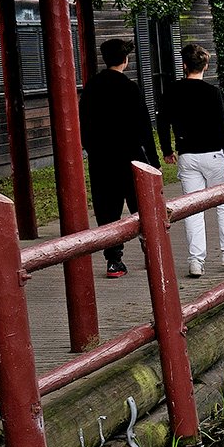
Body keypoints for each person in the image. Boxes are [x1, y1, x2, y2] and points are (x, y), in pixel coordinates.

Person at [157, 41, 224, 278]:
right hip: (214, 154)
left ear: (184, 65)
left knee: (192, 208)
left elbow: (162, 124)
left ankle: (196, 260)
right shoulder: (212, 93)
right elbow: (222, 127)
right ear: (205, 66)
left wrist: (166, 150)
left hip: (187, 156)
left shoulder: (172, 92)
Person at [78, 37, 156, 278]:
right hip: (131, 156)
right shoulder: (130, 87)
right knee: (141, 206)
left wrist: (91, 148)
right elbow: (144, 127)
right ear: (125, 59)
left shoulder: (91, 87)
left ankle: (114, 260)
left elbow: (84, 123)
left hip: (102, 158)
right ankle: (151, 251)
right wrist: (153, 159)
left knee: (107, 208)